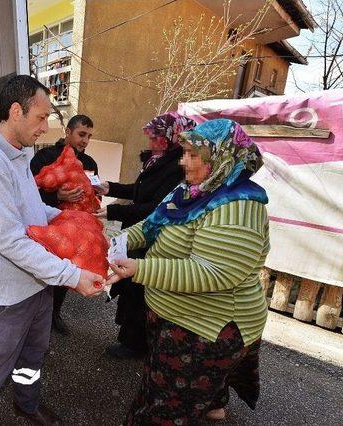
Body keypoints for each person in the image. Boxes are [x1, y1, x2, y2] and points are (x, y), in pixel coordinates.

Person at [0, 75, 103, 426]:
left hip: (37, 284)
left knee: (34, 355)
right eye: (41, 117)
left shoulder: (18, 156)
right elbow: (12, 241)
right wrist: (71, 275)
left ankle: (26, 404)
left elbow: (34, 212)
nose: (46, 127)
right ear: (16, 111)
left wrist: (72, 220)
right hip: (9, 292)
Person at [106, 119, 269, 425]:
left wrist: (140, 268)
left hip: (205, 327)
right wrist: (117, 242)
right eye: (185, 153)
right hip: (175, 316)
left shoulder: (238, 204)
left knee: (163, 409)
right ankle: (211, 404)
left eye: (194, 155)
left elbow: (216, 272)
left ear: (222, 157)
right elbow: (152, 225)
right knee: (177, 386)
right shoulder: (190, 190)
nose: (183, 161)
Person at [94, 112, 196, 359]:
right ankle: (130, 338)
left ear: (169, 138)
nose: (150, 140)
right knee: (130, 286)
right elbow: (138, 190)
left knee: (139, 288)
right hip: (138, 230)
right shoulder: (156, 160)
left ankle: (135, 344)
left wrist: (113, 210)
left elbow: (155, 208)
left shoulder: (175, 168)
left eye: (155, 136)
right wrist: (110, 187)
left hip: (152, 235)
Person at [30, 114, 98, 335]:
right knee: (42, 273)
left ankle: (54, 314)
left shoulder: (90, 164)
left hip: (75, 232)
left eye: (89, 136)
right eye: (81, 134)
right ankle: (35, 319)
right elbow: (28, 193)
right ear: (67, 132)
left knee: (66, 273)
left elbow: (92, 195)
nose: (85, 141)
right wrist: (57, 195)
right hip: (48, 228)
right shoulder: (44, 157)